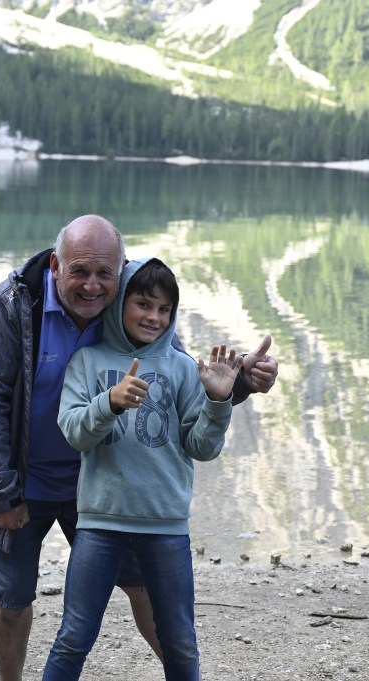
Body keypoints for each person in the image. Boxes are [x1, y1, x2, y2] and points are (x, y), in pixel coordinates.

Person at [0, 214, 277, 681]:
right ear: (56, 266)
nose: (92, 286)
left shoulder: (128, 303)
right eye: (80, 272)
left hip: (104, 487)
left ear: (121, 271)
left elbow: (176, 380)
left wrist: (240, 382)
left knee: (143, 589)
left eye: (104, 273)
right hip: (22, 483)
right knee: (12, 597)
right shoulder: (13, 306)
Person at [43, 257, 237, 680]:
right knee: (74, 637)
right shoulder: (87, 362)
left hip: (166, 525)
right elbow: (74, 433)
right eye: (143, 304)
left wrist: (218, 402)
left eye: (164, 309)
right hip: (99, 522)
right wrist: (109, 402)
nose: (154, 317)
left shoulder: (182, 367)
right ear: (119, 304)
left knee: (180, 641)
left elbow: (202, 447)